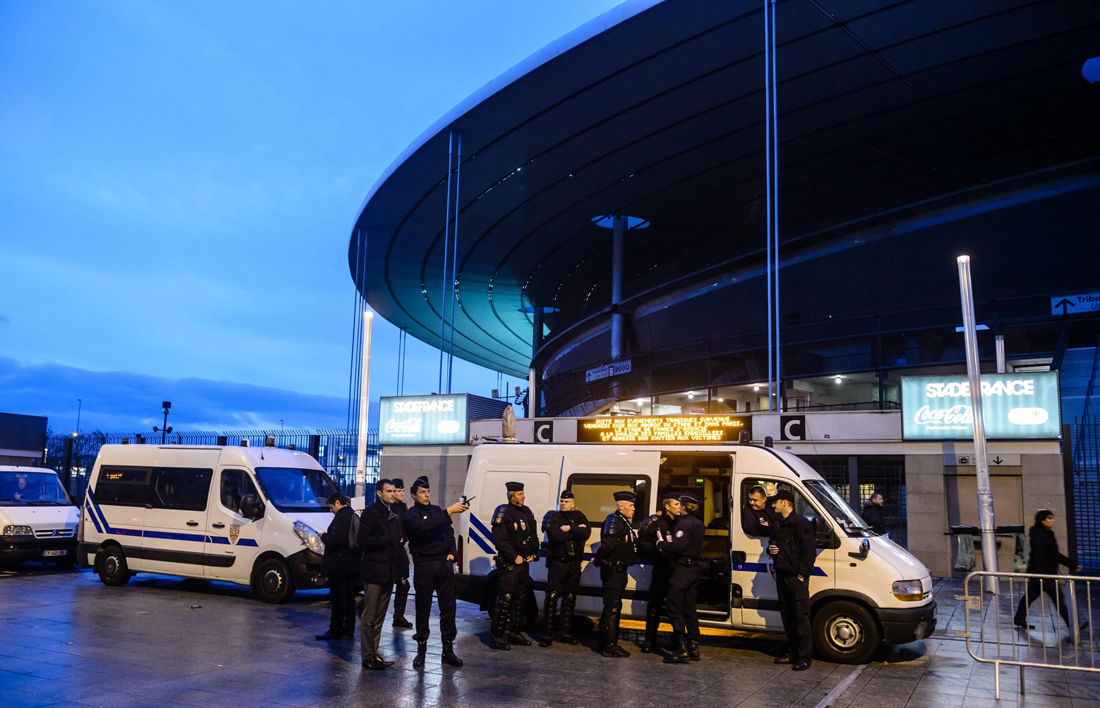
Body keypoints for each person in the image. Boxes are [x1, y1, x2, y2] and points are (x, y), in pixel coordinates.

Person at [403, 476, 468, 667]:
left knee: (448, 607)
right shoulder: (411, 515)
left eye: (428, 491)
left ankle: (448, 649)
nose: (427, 495)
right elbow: (423, 527)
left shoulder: (437, 510)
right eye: (422, 492)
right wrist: (449, 511)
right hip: (424, 565)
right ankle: (421, 650)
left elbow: (449, 533)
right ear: (413, 495)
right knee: (423, 607)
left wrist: (452, 554)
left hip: (443, 565)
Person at [1013, 509, 1087, 631]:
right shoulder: (1039, 535)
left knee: (1030, 596)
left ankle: (1019, 618)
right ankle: (1074, 625)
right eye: (1049, 518)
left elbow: (1055, 555)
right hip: (1044, 574)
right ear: (1042, 520)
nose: (1052, 521)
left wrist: (1073, 565)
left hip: (1040, 574)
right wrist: (1043, 574)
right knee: (1058, 599)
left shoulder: (1046, 534)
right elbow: (1039, 555)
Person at [768, 489, 816, 671]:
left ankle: (804, 657)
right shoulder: (777, 523)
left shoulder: (801, 523)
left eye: (776, 502)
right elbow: (772, 544)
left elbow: (809, 551)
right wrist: (770, 549)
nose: (773, 505)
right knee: (787, 616)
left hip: (796, 578)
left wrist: (802, 574)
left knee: (801, 617)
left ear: (785, 503)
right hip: (782, 575)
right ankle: (792, 652)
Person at [357, 479, 402, 670]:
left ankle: (373, 654)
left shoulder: (394, 513)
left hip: (388, 571)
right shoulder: (370, 513)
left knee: (380, 617)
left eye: (394, 491)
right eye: (389, 491)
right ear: (379, 493)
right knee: (369, 618)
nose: (392, 494)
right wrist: (387, 540)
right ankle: (368, 656)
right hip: (374, 571)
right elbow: (362, 539)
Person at [490, 481, 540, 650]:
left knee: (520, 599)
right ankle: (496, 637)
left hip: (524, 563)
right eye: (519, 494)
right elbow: (499, 540)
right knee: (506, 600)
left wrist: (534, 552)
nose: (523, 496)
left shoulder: (526, 511)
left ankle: (515, 632)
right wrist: (514, 556)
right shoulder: (502, 512)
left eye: (523, 493)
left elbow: (533, 534)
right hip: (509, 564)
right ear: (511, 496)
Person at [539, 490, 591, 647]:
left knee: (569, 597)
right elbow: (555, 536)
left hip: (573, 564)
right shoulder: (553, 516)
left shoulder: (579, 515)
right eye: (561, 501)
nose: (563, 503)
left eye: (567, 501)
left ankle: (564, 632)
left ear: (573, 503)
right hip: (558, 563)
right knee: (552, 597)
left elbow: (586, 532)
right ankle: (547, 634)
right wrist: (575, 531)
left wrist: (568, 529)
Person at [658, 492, 705, 663]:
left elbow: (677, 546)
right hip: (694, 569)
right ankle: (694, 646)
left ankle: (681, 647)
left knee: (675, 606)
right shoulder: (699, 523)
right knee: (690, 608)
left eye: (680, 505)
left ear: (684, 507)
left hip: (682, 569)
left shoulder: (684, 525)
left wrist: (661, 544)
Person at [636, 492, 680, 653]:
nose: (680, 507)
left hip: (677, 569)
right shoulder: (656, 522)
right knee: (654, 604)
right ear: (667, 506)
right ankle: (649, 640)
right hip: (661, 568)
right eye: (676, 504)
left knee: (676, 606)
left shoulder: (682, 522)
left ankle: (678, 641)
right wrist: (655, 550)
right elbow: (640, 540)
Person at [595, 490, 637, 658]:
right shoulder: (613, 520)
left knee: (614, 607)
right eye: (630, 505)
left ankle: (606, 641)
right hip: (613, 571)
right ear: (621, 506)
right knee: (612, 608)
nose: (633, 508)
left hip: (619, 570)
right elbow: (606, 546)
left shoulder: (623, 521)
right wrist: (599, 560)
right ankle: (609, 646)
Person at [316, 493, 361, 641]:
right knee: (349, 598)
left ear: (337, 503)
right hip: (351, 564)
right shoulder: (352, 514)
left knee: (338, 598)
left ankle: (335, 629)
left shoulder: (342, 517)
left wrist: (323, 536)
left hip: (339, 564)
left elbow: (336, 540)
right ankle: (348, 628)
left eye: (331, 507)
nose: (331, 511)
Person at [389, 478, 413, 629]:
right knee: (382, 587)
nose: (402, 493)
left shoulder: (405, 508)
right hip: (388, 550)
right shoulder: (388, 508)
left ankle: (398, 616)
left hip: (400, 549)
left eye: (403, 490)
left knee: (404, 584)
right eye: (399, 491)